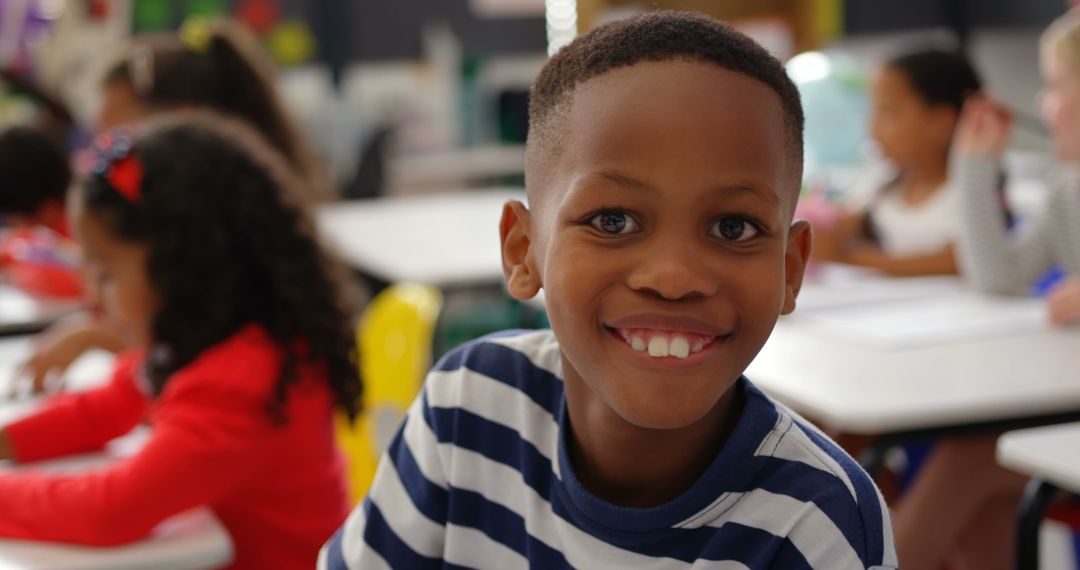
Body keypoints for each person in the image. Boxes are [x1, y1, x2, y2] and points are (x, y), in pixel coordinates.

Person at [319, 12, 897, 569]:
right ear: (523, 251)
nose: (673, 278)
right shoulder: (468, 407)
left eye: (733, 228)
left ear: (790, 268)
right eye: (613, 221)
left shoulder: (817, 523)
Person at [0, 112, 361, 569]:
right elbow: (103, 410)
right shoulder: (205, 345)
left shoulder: (241, 382)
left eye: (106, 273)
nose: (91, 293)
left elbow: (106, 511)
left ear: (183, 270)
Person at [20, 19, 335, 392]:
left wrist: (96, 338)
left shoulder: (245, 247)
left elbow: (202, 356)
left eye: (120, 142)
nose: (103, 161)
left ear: (184, 133)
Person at [891, 10, 1080, 570]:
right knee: (980, 478)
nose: (1044, 103)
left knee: (971, 461)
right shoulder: (1068, 188)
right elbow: (998, 275)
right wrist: (974, 165)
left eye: (1057, 85)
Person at [812, 49, 982, 276]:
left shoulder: (975, 193)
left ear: (942, 122)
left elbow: (961, 260)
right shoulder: (882, 184)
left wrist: (848, 257)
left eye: (887, 113)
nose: (873, 128)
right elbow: (846, 223)